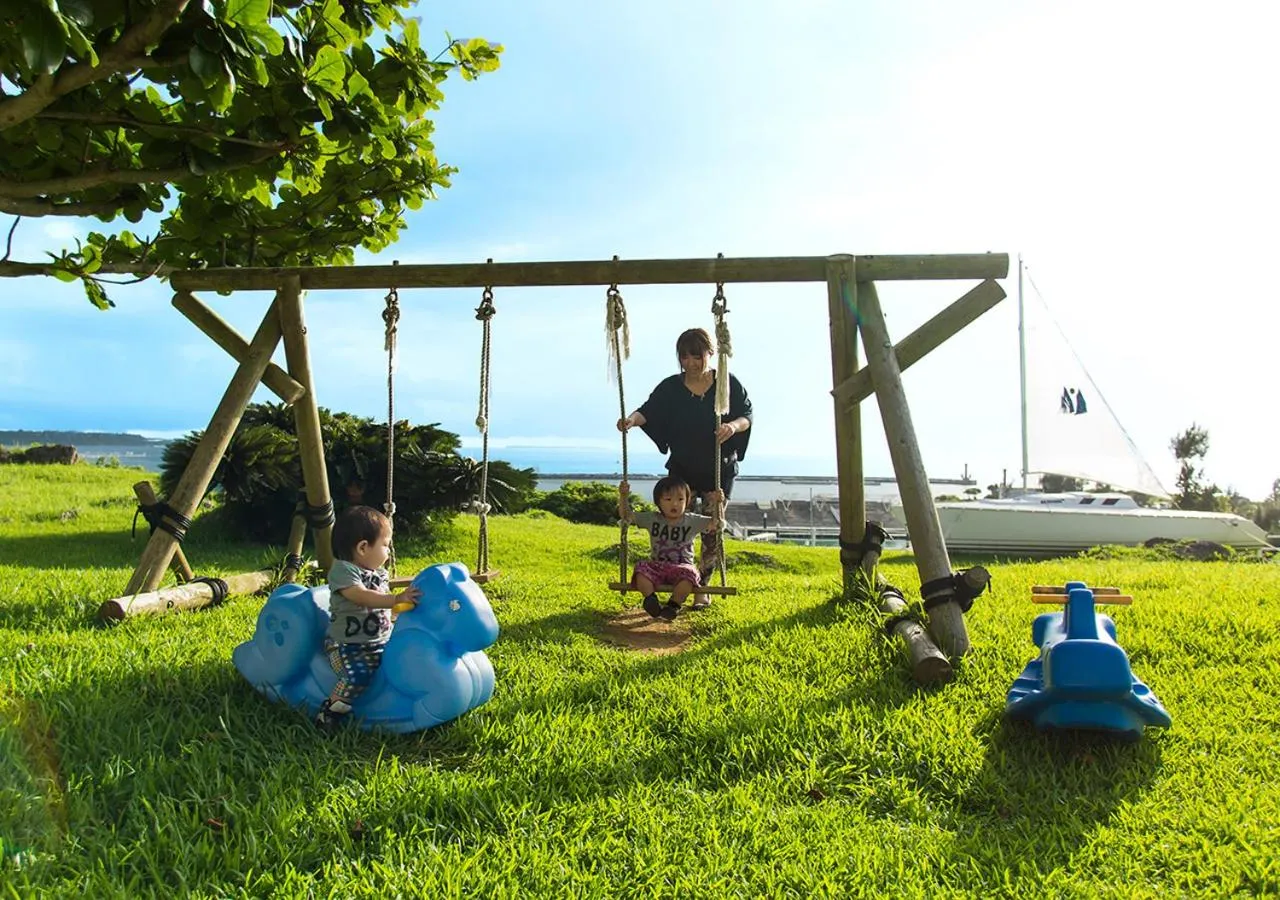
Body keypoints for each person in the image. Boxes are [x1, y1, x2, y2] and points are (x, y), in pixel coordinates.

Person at [617, 327, 753, 608]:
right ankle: (677, 576)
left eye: (696, 356)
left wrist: (731, 426)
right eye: (684, 357)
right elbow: (648, 410)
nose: (690, 363)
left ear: (710, 354)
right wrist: (630, 420)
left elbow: (746, 416)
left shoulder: (727, 384)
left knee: (712, 528)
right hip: (683, 469)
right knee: (677, 525)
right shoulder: (671, 387)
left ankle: (701, 587)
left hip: (718, 469)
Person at [314, 505, 421, 733]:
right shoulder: (343, 571)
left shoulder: (379, 574)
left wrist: (400, 609)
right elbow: (362, 597)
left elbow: (383, 606)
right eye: (385, 544)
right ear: (363, 547)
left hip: (378, 641)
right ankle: (330, 711)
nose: (389, 551)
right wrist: (394, 599)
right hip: (346, 647)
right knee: (357, 676)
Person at [618, 475, 721, 621]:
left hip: (682, 567)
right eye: (668, 499)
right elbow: (626, 515)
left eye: (680, 499)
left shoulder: (692, 520)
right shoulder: (652, 518)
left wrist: (718, 504)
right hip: (657, 566)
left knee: (690, 576)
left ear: (687, 501)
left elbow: (717, 523)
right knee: (641, 569)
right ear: (658, 502)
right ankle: (650, 599)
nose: (675, 504)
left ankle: (673, 605)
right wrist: (623, 497)